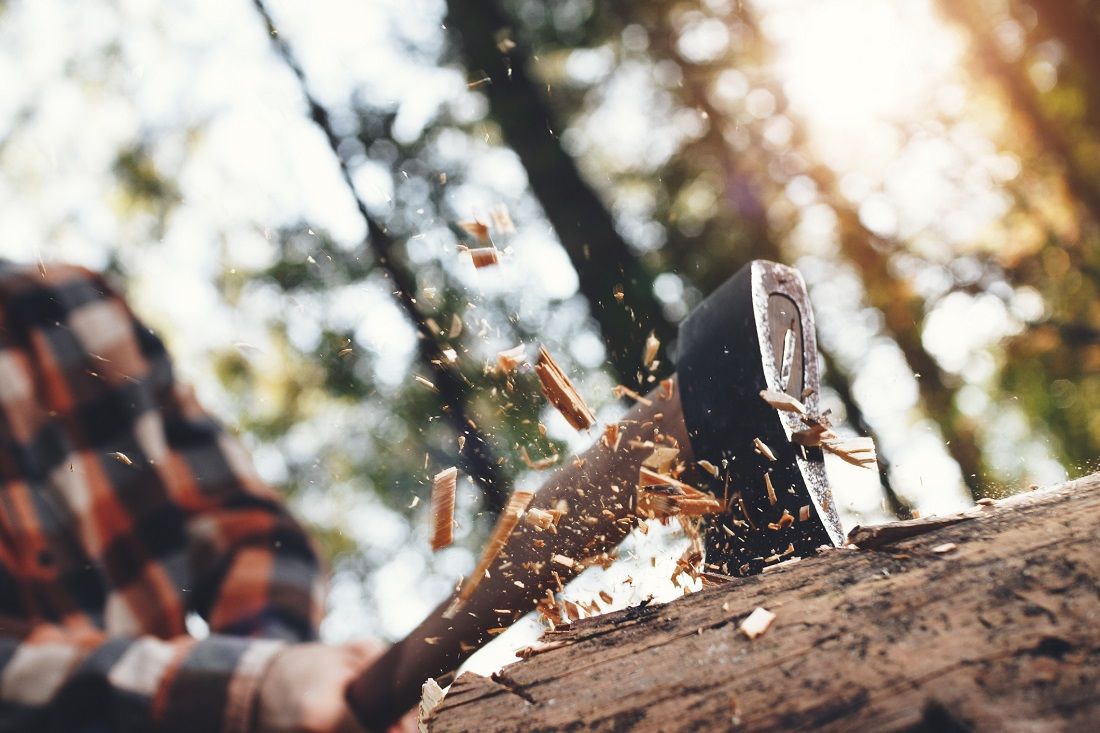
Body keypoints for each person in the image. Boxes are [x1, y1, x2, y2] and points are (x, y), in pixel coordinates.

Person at [0, 258, 833, 732]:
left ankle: (708, 421)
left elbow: (248, 532)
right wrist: (250, 689)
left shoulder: (61, 310)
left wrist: (281, 663)